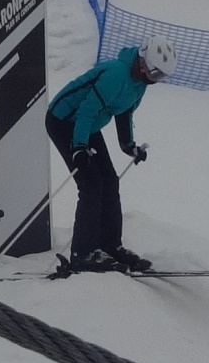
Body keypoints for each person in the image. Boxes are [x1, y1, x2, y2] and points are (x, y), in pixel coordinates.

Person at [43, 35, 177, 273]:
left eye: (161, 77)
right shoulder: (116, 74)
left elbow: (123, 113)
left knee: (110, 181)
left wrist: (129, 146)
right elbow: (86, 110)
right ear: (143, 63)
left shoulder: (140, 84)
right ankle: (82, 253)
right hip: (64, 121)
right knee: (91, 184)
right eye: (156, 74)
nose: (156, 80)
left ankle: (110, 244)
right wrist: (78, 147)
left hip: (89, 126)